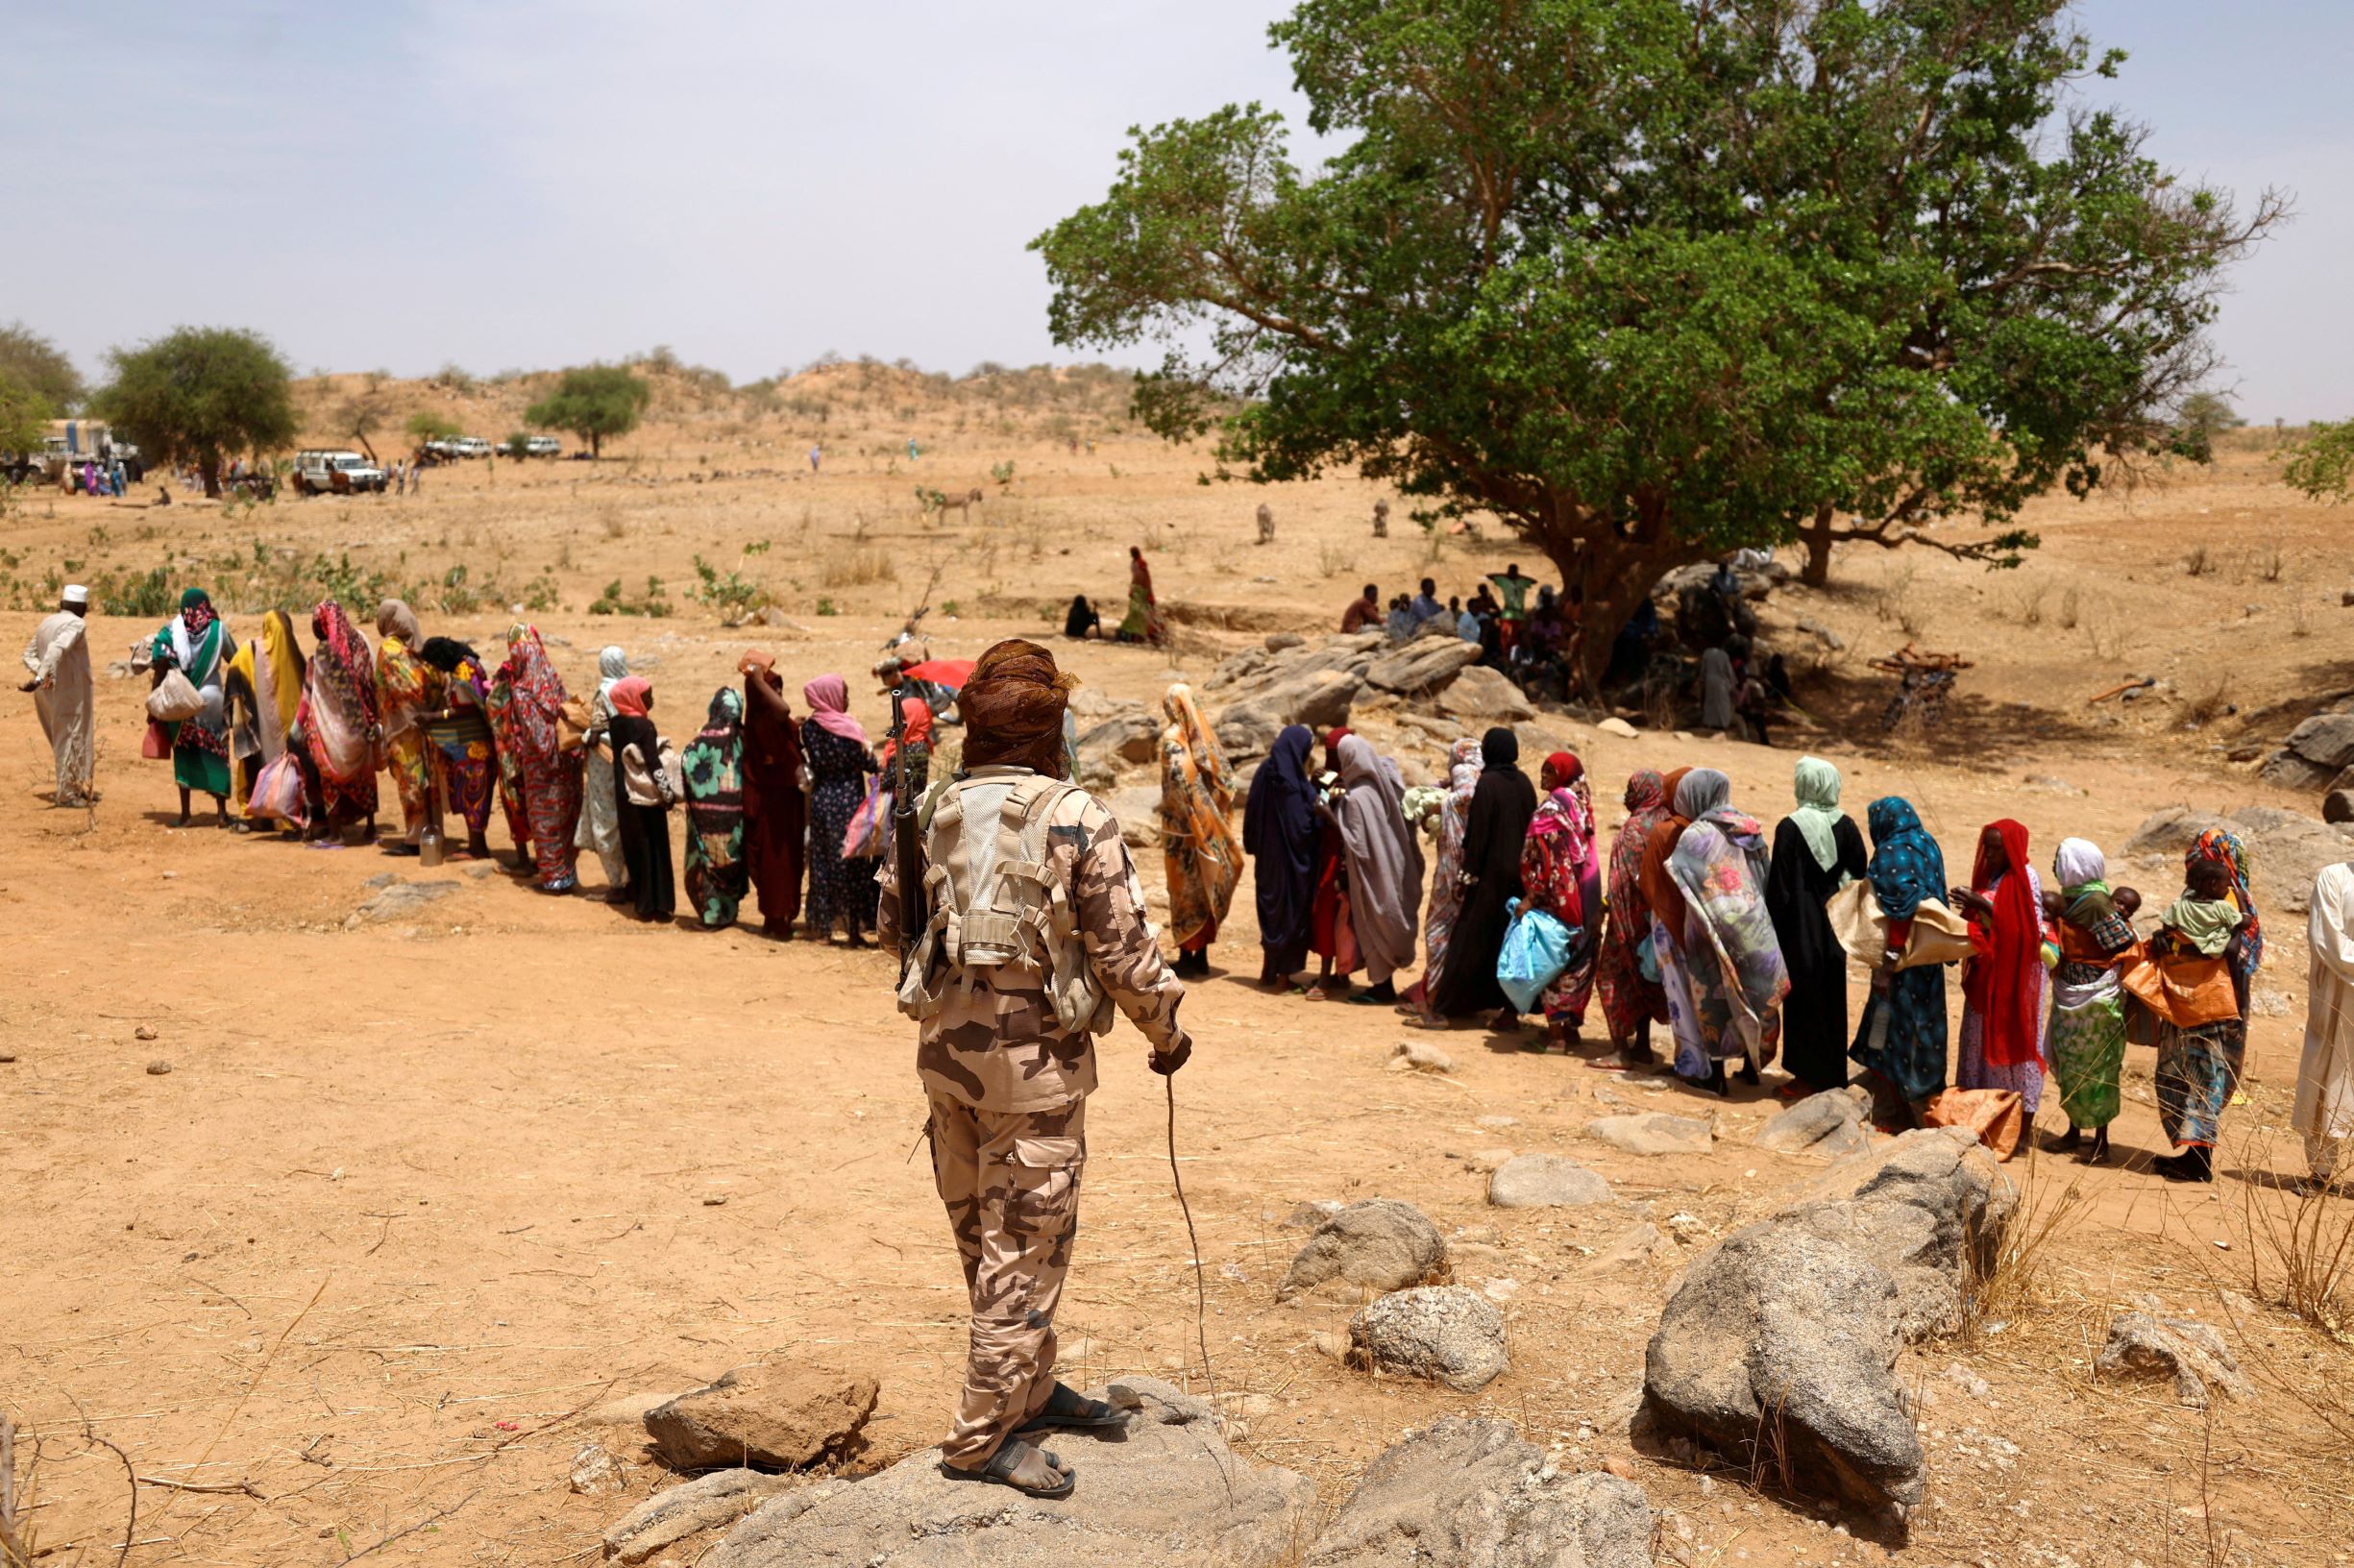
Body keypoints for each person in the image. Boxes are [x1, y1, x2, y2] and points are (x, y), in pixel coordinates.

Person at [875, 638, 1191, 1501]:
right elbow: (1126, 958)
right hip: (1037, 1078)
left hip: (947, 1065)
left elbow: (892, 932)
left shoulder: (935, 809)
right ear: (1051, 728)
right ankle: (980, 1442)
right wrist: (1166, 1034)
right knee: (1024, 1254)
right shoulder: (1076, 817)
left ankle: (1034, 1391)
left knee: (988, 1246)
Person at [1664, 770, 1788, 1090]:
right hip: (1753, 921)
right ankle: (1752, 1066)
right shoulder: (1747, 826)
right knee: (1757, 991)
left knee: (1714, 999)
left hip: (1709, 928)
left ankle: (1717, 1077)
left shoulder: (1695, 835)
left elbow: (1681, 878)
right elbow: (1764, 871)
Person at [2150, 835, 2261, 1183]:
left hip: (2214, 1006)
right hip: (2190, 1000)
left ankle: (2199, 1161)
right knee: (2188, 1074)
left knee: (2205, 1078)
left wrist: (2193, 948)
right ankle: (2192, 1155)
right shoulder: (2205, 900)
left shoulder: (2232, 901)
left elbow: (2239, 953)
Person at [1764, 757, 1868, 1095]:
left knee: (1804, 999)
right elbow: (1859, 874)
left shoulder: (1790, 827)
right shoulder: (1847, 826)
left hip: (1799, 929)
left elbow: (1778, 887)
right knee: (1831, 995)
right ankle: (1832, 1074)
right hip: (1835, 925)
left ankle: (1805, 1077)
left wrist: (1771, 931)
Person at [1419, 728, 1536, 1024]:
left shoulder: (1488, 784)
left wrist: (1466, 876)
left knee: (1467, 944)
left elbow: (1478, 836)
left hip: (1489, 879)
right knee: (1506, 943)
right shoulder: (1525, 784)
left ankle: (1443, 1009)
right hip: (1518, 878)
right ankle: (1509, 1013)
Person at [1851, 797, 1951, 1119]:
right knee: (1926, 1024)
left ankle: (1900, 1112)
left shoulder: (1893, 851)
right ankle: (1927, 1095)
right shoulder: (1926, 843)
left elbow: (1902, 908)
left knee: (1898, 1029)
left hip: (1903, 960)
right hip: (1928, 952)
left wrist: (1889, 964)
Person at [2044, 838, 2138, 1163]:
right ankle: (2073, 1132)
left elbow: (2122, 941)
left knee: (2099, 1069)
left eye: (2059, 860)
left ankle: (2101, 1140)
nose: (2055, 865)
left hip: (2096, 998)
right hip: (2069, 993)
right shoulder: (2069, 899)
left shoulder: (2096, 901)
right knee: (2071, 1065)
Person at [1948, 821, 2049, 1116]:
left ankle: (2015, 1117)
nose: (1989, 855)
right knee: (1979, 1042)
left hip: (2014, 976)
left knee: (2011, 1044)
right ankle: (1978, 1114)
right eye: (1987, 848)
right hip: (1989, 971)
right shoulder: (1994, 876)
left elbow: (2029, 928)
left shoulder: (2025, 877)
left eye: (1996, 849)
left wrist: (1981, 903)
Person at [1325, 735, 1423, 1006]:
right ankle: (1382, 985)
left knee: (1373, 923)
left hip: (1370, 875)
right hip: (1392, 870)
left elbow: (1355, 842)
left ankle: (1382, 988)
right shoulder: (1382, 788)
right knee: (1384, 920)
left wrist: (1327, 812)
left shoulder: (1355, 798)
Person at [488, 624, 583, 894]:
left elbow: (536, 736)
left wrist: (539, 758)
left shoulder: (521, 692)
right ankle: (568, 872)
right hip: (568, 761)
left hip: (542, 768)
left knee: (546, 819)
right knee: (566, 816)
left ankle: (554, 879)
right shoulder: (551, 679)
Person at [1158, 683, 1241, 977]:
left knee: (1184, 892)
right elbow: (1224, 782)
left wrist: (1187, 818)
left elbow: (1180, 786)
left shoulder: (1172, 740)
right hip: (1204, 828)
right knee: (1203, 887)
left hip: (1180, 832)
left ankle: (1186, 954)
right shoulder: (1201, 740)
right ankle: (1201, 954)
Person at [1591, 770, 1674, 1067]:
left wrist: (1603, 909)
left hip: (1628, 919)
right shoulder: (1668, 825)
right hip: (1658, 920)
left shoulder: (1633, 830)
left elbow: (1620, 883)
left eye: (1631, 789)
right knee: (1645, 979)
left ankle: (1619, 1050)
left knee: (1612, 977)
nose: (1627, 796)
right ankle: (1642, 1046)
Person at [1521, 752, 1603, 1050]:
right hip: (1588, 890)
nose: (1543, 776)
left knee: (1555, 958)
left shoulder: (1553, 808)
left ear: (1564, 775)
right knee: (1580, 956)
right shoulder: (1581, 801)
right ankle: (1571, 1029)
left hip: (1562, 895)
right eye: (1542, 770)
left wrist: (1533, 896)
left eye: (1550, 771)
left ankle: (1556, 1038)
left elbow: (1551, 861)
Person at [1401, 738, 1483, 1013]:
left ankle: (1433, 1000)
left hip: (1452, 868)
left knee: (1437, 929)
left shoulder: (1464, 772)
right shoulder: (1483, 774)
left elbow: (1466, 796)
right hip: (1470, 868)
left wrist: (1438, 806)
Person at [801, 674, 879, 946]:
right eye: (843, 694)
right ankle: (854, 930)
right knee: (851, 862)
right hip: (849, 802)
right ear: (832, 695)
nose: (846, 699)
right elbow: (868, 764)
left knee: (822, 863)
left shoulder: (809, 728)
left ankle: (824, 928)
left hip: (822, 801)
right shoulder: (849, 730)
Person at [293, 600, 380, 841]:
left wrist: (297, 729)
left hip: (332, 729)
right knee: (365, 774)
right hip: (360, 725)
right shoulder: (359, 643)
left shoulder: (323, 654)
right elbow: (369, 682)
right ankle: (371, 827)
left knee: (329, 776)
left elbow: (310, 694)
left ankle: (335, 833)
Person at [147, 588, 233, 827]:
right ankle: (222, 814)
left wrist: (153, 704)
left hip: (180, 699)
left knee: (184, 753)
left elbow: (160, 663)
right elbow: (234, 658)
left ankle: (186, 815)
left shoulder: (169, 632)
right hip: (212, 697)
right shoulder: (218, 629)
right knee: (217, 751)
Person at [1243, 725, 1320, 991]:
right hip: (1293, 865)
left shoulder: (1266, 771)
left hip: (1267, 862)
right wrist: (1318, 793)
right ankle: (1284, 976)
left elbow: (1251, 809)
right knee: (1291, 913)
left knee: (1271, 912)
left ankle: (1268, 969)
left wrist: (1252, 844)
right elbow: (1304, 826)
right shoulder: (1295, 784)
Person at [738, 651, 805, 938]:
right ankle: (777, 919)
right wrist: (756, 679)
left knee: (787, 860)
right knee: (777, 860)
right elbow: (782, 710)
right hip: (774, 801)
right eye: (771, 687)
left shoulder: (766, 718)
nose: (776, 693)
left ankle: (781, 916)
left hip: (785, 799)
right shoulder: (764, 719)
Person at [2297, 860, 2354, 1188]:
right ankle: (2320, 1172)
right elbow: (2326, 938)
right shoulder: (2335, 877)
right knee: (2325, 1075)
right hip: (2335, 997)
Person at [223, 608, 306, 831]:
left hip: (260, 734)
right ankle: (289, 813)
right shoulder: (296, 658)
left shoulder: (249, 651)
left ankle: (258, 813)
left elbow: (234, 672)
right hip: (290, 736)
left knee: (256, 768)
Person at [418, 636, 497, 860]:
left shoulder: (463, 671)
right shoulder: (472, 663)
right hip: (477, 743)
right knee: (475, 794)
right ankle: (476, 845)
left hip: (473, 745)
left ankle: (477, 848)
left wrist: (434, 716)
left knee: (473, 793)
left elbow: (467, 708)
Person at [607, 675, 676, 920]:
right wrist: (668, 794)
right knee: (655, 847)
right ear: (633, 698)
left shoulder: (615, 724)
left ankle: (642, 903)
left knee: (636, 847)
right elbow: (653, 763)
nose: (651, 700)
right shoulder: (645, 727)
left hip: (624, 796)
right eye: (646, 696)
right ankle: (660, 905)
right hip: (647, 798)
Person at [20, 585, 94, 807]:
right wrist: (41, 675)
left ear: (61, 605)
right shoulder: (76, 623)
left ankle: (73, 785)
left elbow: (28, 655)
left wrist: (41, 675)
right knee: (69, 737)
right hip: (67, 691)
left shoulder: (47, 622)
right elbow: (57, 648)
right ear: (83, 608)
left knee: (64, 737)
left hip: (46, 691)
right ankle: (67, 795)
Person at [682, 688, 748, 929]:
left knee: (705, 861)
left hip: (706, 817)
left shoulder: (702, 739)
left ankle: (711, 916)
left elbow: (687, 763)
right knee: (732, 859)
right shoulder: (744, 738)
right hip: (736, 821)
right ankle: (729, 912)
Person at [374, 600, 434, 854]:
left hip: (401, 725)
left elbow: (386, 685)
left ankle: (414, 839)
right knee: (423, 781)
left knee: (409, 783)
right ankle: (429, 833)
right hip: (424, 723)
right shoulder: (419, 647)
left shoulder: (389, 649)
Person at [1307, 727, 1358, 999]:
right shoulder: (1328, 777)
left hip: (1345, 857)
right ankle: (1334, 973)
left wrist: (1328, 813)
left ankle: (1332, 975)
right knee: (1330, 910)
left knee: (1339, 911)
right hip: (1327, 854)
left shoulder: (1357, 781)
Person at [576, 647, 631, 895]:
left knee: (605, 819)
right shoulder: (631, 689)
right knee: (624, 817)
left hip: (603, 764)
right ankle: (631, 877)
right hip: (626, 760)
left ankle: (616, 884)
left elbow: (597, 733)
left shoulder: (604, 692)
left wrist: (586, 735)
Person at [1115, 548, 1165, 646]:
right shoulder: (1137, 563)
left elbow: (1142, 578)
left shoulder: (1138, 563)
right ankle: (1136, 637)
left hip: (1139, 591)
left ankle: (1138, 637)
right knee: (1139, 614)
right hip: (1138, 591)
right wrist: (1134, 589)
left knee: (1140, 614)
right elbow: (1140, 577)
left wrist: (1146, 591)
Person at [1699, 645, 1736, 731]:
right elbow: (1728, 670)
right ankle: (1722, 724)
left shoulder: (1707, 653)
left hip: (1709, 680)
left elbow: (1703, 668)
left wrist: (1702, 678)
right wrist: (1733, 682)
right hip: (1721, 681)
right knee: (1722, 703)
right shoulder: (1724, 654)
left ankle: (1709, 722)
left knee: (1710, 701)